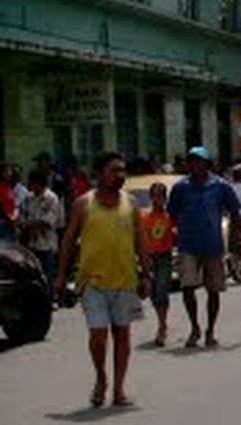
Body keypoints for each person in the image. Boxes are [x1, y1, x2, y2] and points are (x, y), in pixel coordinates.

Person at [54, 152, 150, 408]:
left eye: (122, 170)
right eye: (114, 170)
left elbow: (141, 242)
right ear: (99, 174)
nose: (120, 175)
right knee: (98, 336)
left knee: (122, 335)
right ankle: (101, 378)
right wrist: (61, 275)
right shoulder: (83, 204)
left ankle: (119, 390)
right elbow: (68, 242)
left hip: (125, 280)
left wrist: (145, 275)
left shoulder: (130, 203)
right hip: (92, 282)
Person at [168, 146, 241, 348]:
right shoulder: (180, 187)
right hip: (187, 245)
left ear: (206, 164)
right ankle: (194, 328)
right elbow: (172, 213)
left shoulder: (220, 186)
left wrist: (236, 240)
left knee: (214, 290)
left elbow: (235, 211)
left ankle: (210, 330)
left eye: (198, 161)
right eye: (190, 161)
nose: (194, 165)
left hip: (213, 245)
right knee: (188, 287)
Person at [140, 182, 175, 347]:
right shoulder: (145, 218)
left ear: (165, 198)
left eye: (160, 197)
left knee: (162, 289)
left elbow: (177, 235)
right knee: (154, 293)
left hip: (164, 257)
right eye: (154, 196)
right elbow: (141, 240)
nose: (157, 200)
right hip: (149, 258)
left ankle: (162, 326)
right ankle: (162, 320)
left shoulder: (170, 217)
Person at [20, 170, 62, 284]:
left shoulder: (51, 198)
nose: (31, 186)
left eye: (33, 184)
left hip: (47, 245)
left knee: (47, 277)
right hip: (32, 244)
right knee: (33, 277)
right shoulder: (29, 197)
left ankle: (49, 299)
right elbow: (23, 216)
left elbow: (48, 222)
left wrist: (29, 224)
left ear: (39, 184)